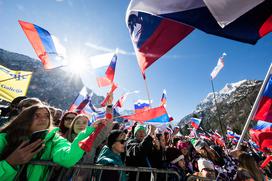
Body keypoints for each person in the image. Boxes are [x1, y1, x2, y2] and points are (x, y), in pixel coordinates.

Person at [0, 104, 98, 180]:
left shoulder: (54, 139)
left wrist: (87, 132)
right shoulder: (5, 138)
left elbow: (68, 158)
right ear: (25, 119)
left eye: (47, 116)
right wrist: (9, 163)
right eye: (36, 116)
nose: (43, 119)